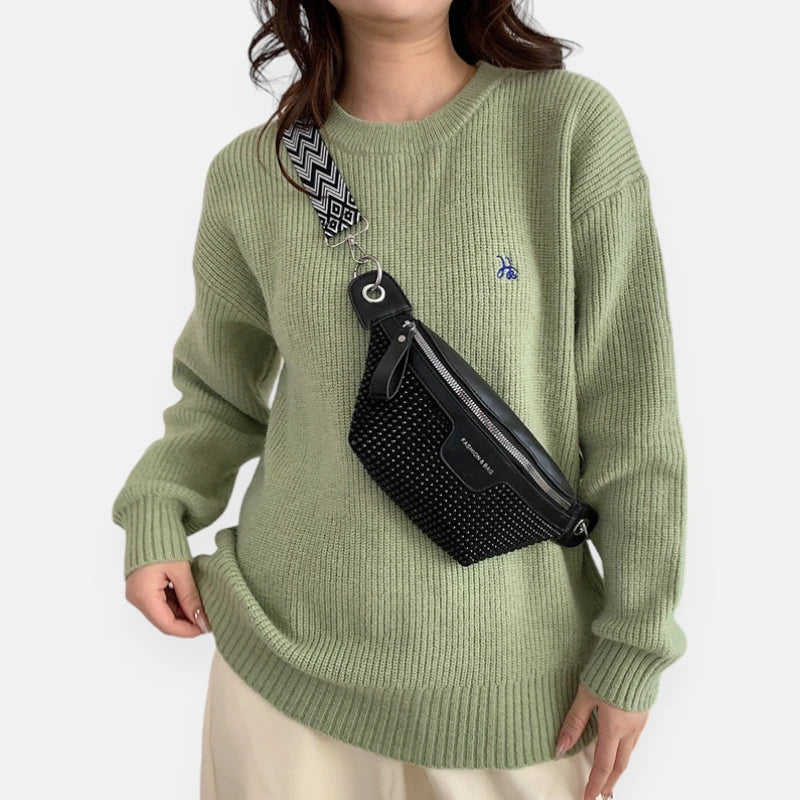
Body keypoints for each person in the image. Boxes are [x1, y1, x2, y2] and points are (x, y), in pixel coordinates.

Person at [112, 2, 688, 799]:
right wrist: (156, 511)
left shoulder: (563, 128)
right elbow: (218, 394)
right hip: (282, 684)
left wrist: (635, 642)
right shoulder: (257, 174)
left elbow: (633, 416)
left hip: (516, 696)